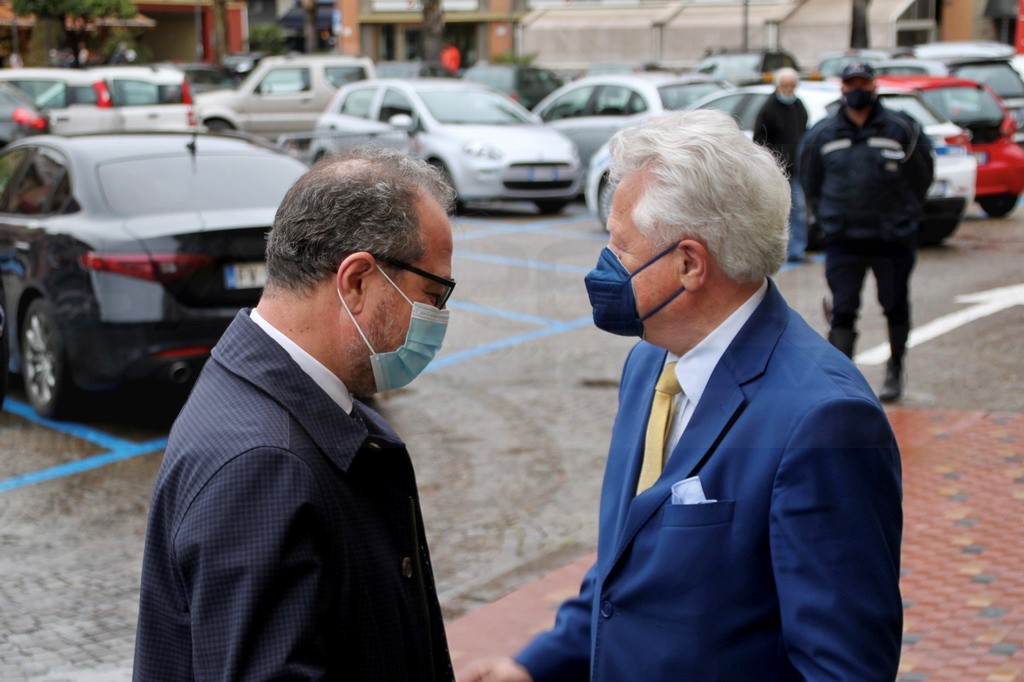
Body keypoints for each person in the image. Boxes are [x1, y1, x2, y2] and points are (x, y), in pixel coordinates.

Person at [461, 110, 903, 681]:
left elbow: (841, 669)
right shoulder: (650, 362)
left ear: (689, 264)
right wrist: (533, 668)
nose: (603, 265)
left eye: (620, 246)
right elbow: (626, 569)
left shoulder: (823, 420)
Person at [134, 147, 458, 680]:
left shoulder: (276, 402)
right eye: (435, 293)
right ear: (356, 281)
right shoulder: (264, 465)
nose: (440, 316)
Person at [800, 61, 934, 402]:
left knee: (895, 305)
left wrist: (905, 215)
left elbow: (922, 176)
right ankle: (841, 382)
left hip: (892, 238)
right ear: (842, 88)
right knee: (843, 309)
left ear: (874, 86)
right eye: (851, 84)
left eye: (864, 83)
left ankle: (895, 369)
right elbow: (810, 182)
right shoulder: (822, 134)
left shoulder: (901, 128)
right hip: (843, 240)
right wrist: (827, 219)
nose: (857, 89)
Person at [753, 66, 809, 263]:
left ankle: (797, 250)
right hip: (778, 169)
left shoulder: (799, 106)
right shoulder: (769, 109)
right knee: (780, 211)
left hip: (797, 167)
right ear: (777, 86)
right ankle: (779, 250)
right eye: (785, 85)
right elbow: (760, 140)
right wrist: (772, 162)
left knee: (799, 210)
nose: (788, 88)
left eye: (792, 85)